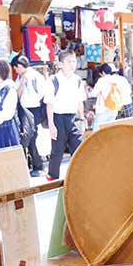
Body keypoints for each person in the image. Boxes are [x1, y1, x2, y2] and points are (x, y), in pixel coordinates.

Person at [44, 49, 86, 181]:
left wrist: (82, 119)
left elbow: (80, 101)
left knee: (78, 148)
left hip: (74, 117)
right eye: (69, 61)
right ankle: (53, 174)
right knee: (57, 148)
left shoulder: (78, 80)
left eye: (74, 61)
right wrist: (51, 125)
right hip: (58, 117)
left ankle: (79, 175)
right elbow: (49, 103)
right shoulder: (54, 80)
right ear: (60, 64)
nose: (73, 64)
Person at [13, 54, 46, 177]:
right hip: (23, 109)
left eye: (16, 67)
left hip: (34, 109)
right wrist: (22, 83)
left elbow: (42, 93)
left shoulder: (37, 76)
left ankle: (39, 165)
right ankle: (34, 164)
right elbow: (17, 95)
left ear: (21, 66)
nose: (15, 70)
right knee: (27, 136)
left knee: (33, 136)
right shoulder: (19, 78)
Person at [92, 63, 132, 130]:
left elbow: (93, 94)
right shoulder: (120, 79)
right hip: (114, 108)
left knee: (97, 131)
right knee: (110, 130)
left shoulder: (102, 80)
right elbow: (128, 91)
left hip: (103, 109)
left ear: (103, 72)